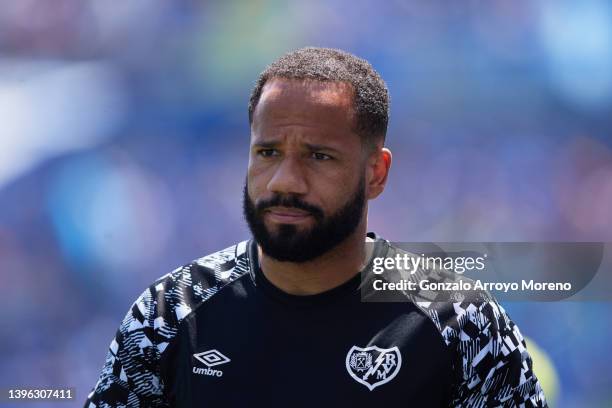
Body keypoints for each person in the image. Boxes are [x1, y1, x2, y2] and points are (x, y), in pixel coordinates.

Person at [84, 47, 547, 407]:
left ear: (376, 174)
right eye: (267, 153)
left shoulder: (461, 325)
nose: (286, 180)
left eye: (319, 156)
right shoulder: (168, 315)